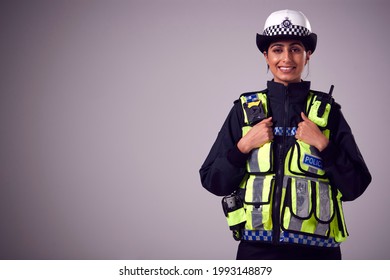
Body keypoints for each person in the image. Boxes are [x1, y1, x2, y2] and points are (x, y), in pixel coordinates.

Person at [199, 9, 371, 260]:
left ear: (307, 55)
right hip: (256, 254)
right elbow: (214, 182)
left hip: (318, 256)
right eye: (277, 49)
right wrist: (243, 146)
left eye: (296, 49)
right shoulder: (243, 112)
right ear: (266, 56)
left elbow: (355, 186)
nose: (286, 58)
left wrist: (324, 145)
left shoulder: (328, 114)